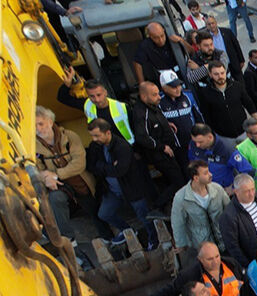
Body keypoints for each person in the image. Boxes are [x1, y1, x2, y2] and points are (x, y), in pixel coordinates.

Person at [85, 118, 157, 247]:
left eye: (97, 135)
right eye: (92, 136)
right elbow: (91, 166)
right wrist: (108, 166)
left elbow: (120, 171)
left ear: (107, 133)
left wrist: (101, 166)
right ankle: (127, 230)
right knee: (104, 214)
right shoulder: (95, 146)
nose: (94, 139)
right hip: (111, 190)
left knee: (144, 217)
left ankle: (153, 240)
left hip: (132, 189)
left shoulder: (122, 146)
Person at [35, 106, 99, 243]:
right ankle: (69, 239)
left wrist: (55, 175)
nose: (38, 129)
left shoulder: (69, 136)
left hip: (80, 181)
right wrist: (45, 178)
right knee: (55, 198)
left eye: (41, 123)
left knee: (96, 211)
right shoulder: (34, 147)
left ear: (50, 122)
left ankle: (107, 235)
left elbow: (79, 164)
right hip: (60, 186)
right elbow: (37, 170)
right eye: (34, 125)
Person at [132, 81, 186, 206]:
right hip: (159, 155)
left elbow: (156, 119)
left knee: (175, 179)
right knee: (178, 182)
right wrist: (162, 147)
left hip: (168, 150)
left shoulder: (152, 105)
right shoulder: (141, 113)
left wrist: (166, 124)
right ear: (144, 97)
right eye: (155, 95)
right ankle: (158, 205)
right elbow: (142, 137)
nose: (159, 97)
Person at [171, 160, 229, 251]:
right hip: (202, 246)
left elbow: (229, 211)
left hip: (224, 241)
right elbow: (178, 223)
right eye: (206, 173)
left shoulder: (217, 189)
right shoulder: (181, 198)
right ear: (196, 178)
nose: (210, 175)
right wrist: (181, 245)